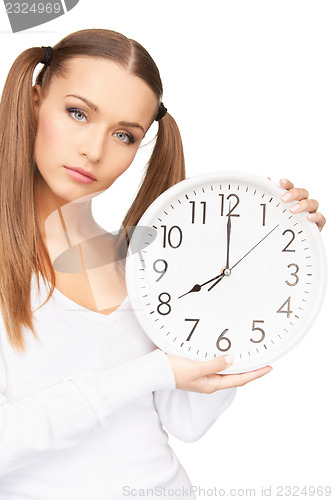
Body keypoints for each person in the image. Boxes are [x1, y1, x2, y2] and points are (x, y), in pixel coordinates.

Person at [0, 29, 326, 500]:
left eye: (123, 135)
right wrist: (150, 373)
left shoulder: (140, 263)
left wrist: (278, 263)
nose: (95, 150)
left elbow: (185, 421)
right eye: (78, 113)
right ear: (34, 102)